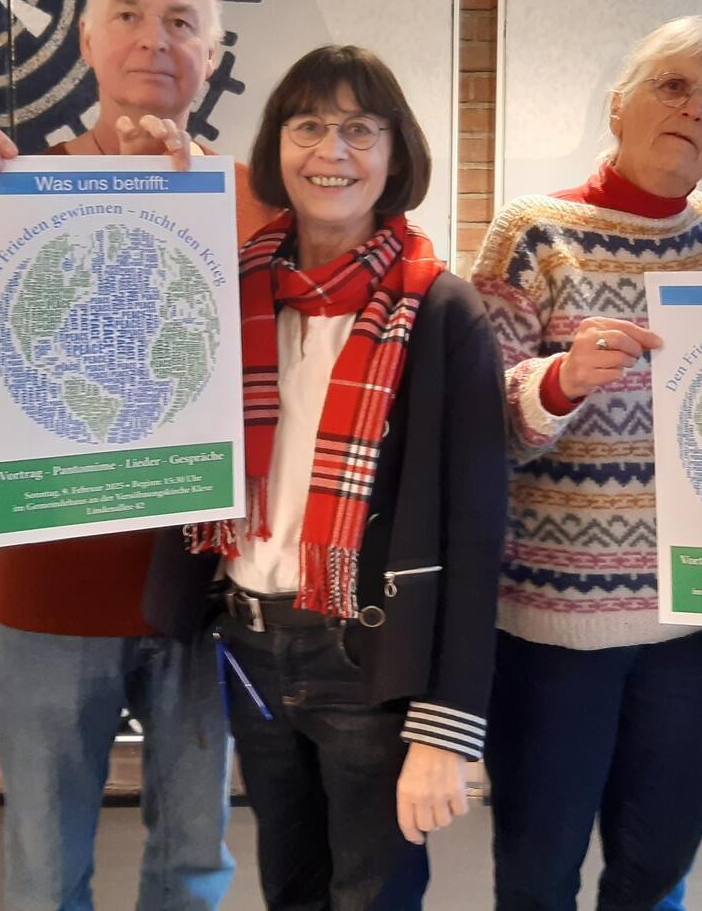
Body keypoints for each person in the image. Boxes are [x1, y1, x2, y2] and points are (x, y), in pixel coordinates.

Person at [0, 0, 274, 911]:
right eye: (128, 15)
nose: (154, 40)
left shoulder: (258, 204)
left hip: (206, 587)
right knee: (45, 870)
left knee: (194, 864)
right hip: (53, 589)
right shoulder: (14, 193)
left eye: (181, 21)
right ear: (87, 39)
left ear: (213, 51)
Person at [143, 45, 508, 911]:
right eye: (309, 126)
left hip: (368, 655)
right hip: (252, 642)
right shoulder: (227, 289)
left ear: (394, 154)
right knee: (291, 887)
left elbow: (475, 528)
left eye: (358, 129)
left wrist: (445, 730)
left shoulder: (441, 310)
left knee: (374, 895)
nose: (331, 152)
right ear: (278, 146)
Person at [470, 16, 702, 910]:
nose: (692, 108)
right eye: (672, 84)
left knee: (658, 866)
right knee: (538, 867)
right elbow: (479, 426)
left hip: (693, 623)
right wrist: (556, 383)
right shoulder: (532, 232)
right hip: (555, 625)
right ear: (617, 106)